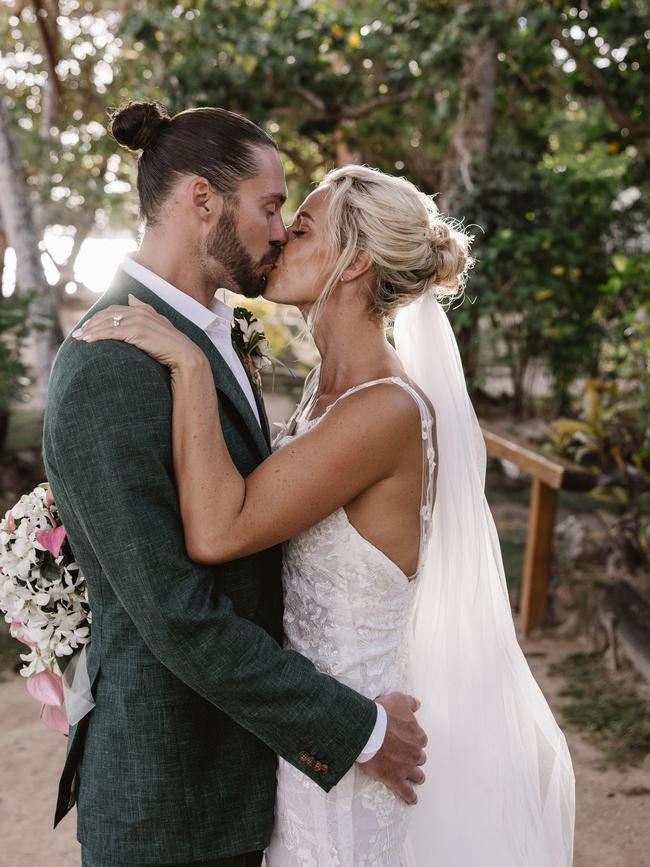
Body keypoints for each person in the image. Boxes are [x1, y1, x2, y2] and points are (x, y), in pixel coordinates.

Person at [76, 159, 576, 864]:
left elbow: (222, 529)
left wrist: (187, 365)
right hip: (299, 745)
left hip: (347, 765)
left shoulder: (382, 409)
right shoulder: (325, 391)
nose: (278, 238)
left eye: (300, 226)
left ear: (356, 262)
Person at [43, 102, 427, 867]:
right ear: (202, 200)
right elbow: (175, 611)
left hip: (245, 781)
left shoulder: (208, 337)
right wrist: (354, 728)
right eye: (273, 206)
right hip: (172, 797)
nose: (281, 230)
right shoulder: (109, 362)